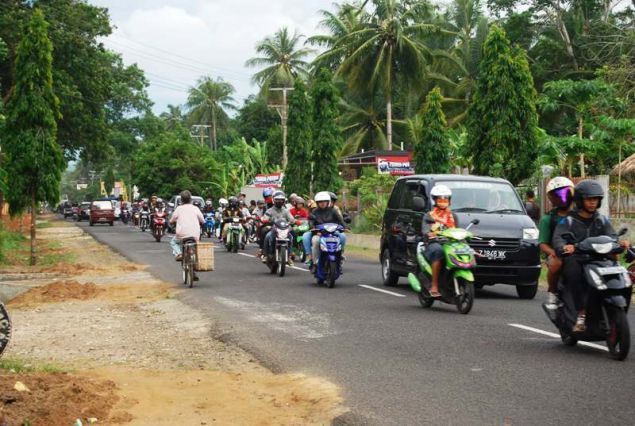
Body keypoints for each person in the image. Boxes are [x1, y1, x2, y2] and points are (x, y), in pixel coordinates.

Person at [553, 180, 629, 333]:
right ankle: (581, 313)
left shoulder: (602, 220)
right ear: (580, 200)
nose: (593, 202)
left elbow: (612, 236)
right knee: (573, 271)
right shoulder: (568, 220)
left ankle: (612, 300)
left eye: (596, 199)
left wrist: (621, 243)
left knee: (617, 266)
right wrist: (564, 246)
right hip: (578, 258)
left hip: (599, 258)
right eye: (589, 199)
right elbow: (558, 238)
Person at [538, 177, 574, 309]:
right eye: (558, 194)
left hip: (579, 251)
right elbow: (542, 243)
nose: (562, 197)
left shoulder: (579, 215)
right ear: (552, 198)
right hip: (558, 253)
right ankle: (552, 293)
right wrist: (554, 253)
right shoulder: (548, 219)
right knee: (555, 263)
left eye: (565, 193)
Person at [422, 185, 458, 298]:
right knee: (438, 252)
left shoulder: (453, 216)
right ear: (434, 200)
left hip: (450, 243)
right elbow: (425, 229)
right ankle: (434, 285)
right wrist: (429, 233)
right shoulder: (429, 215)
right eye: (440, 199)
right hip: (434, 243)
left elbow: (457, 231)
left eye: (445, 199)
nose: (443, 202)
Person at [305, 191, 346, 269]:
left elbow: (340, 220)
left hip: (332, 233)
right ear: (317, 203)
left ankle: (340, 255)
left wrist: (345, 226)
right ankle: (315, 262)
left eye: (324, 201)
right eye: (320, 202)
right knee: (315, 241)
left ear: (328, 202)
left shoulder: (333, 211)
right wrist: (315, 231)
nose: (322, 203)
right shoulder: (314, 211)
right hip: (319, 234)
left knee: (343, 236)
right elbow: (311, 222)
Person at [169, 190, 204, 271]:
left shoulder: (179, 208)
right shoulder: (195, 208)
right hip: (195, 235)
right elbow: (203, 220)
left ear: (181, 200)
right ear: (190, 199)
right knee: (195, 248)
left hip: (181, 235)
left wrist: (171, 222)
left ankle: (179, 254)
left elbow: (172, 220)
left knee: (173, 242)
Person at [262, 191, 295, 264]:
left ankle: (289, 256)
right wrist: (266, 220)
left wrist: (294, 221)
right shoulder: (269, 210)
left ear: (284, 201)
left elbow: (291, 219)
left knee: (291, 237)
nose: (279, 201)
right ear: (273, 200)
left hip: (284, 230)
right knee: (267, 236)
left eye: (281, 200)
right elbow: (265, 218)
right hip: (273, 229)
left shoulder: (286, 211)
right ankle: (265, 255)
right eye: (277, 200)